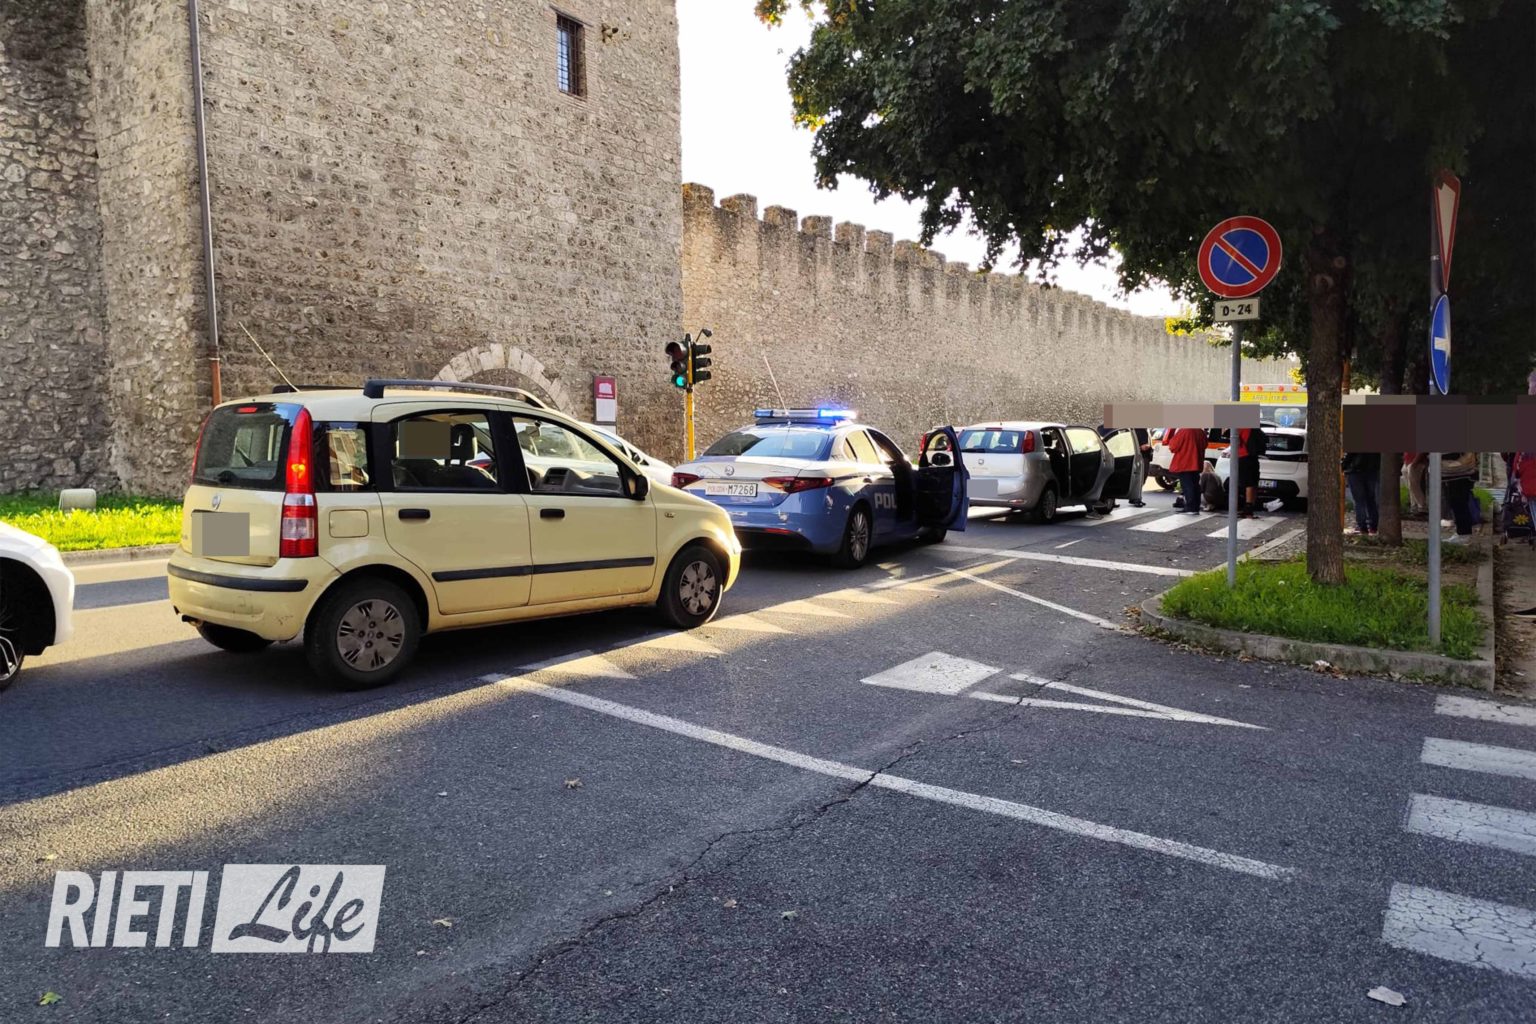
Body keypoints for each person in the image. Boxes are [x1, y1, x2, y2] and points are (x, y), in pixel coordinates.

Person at [1162, 427, 1208, 515]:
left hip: (1185, 462)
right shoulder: (1200, 431)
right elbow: (1205, 444)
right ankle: (1195, 507)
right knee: (1195, 485)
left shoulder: (1184, 430)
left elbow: (1173, 446)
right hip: (1197, 462)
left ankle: (1190, 508)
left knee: (1187, 485)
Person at [1442, 451, 1479, 544]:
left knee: (1459, 502)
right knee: (1457, 501)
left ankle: (1463, 534)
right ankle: (1462, 532)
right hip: (1459, 471)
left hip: (1459, 471)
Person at [1342, 451, 1382, 536]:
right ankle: (1373, 527)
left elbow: (1350, 454)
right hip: (1372, 470)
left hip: (1356, 470)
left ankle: (1363, 527)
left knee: (1359, 501)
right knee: (1371, 500)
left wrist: (1343, 465)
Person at [1128, 427, 1151, 507]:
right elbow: (1131, 443)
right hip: (1139, 455)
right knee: (1140, 477)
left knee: (1142, 476)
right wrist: (1140, 448)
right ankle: (1136, 498)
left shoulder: (1144, 429)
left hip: (1145, 455)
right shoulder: (1136, 430)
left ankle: (1134, 497)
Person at [1406, 452, 1429, 517]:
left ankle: (1421, 506)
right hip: (1409, 461)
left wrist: (1415, 462)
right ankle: (1414, 505)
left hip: (1416, 462)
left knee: (1414, 484)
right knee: (1410, 485)